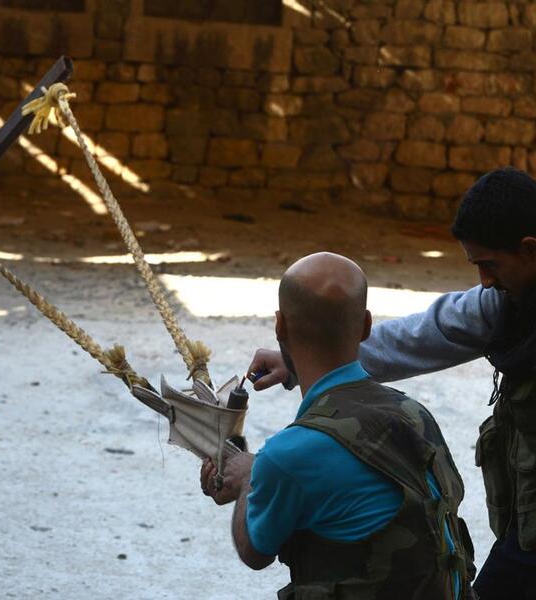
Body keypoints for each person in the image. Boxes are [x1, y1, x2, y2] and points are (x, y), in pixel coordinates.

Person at [248, 168, 536, 599]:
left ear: (531, 250)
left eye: (490, 265)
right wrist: (300, 356)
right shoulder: (510, 300)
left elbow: (255, 548)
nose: (484, 282)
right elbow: (426, 334)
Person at [202, 252, 475, 600]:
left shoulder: (288, 454)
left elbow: (254, 551)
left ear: (279, 326)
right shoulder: (414, 413)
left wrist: (246, 481)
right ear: (365, 326)